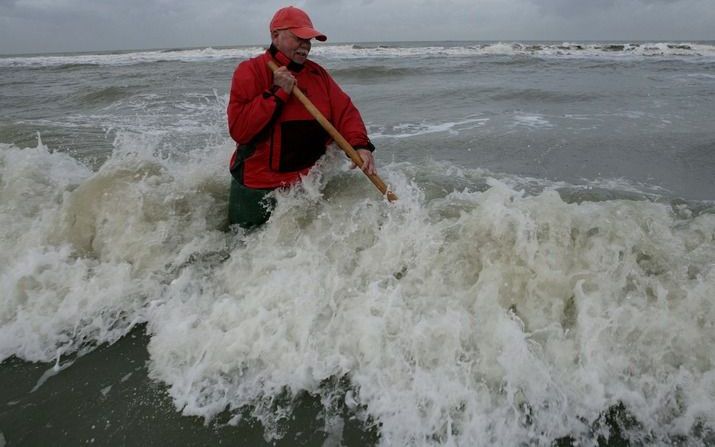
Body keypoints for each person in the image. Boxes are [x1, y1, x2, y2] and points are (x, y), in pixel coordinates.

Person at [226, 6, 378, 229]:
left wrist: (360, 145)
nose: (305, 45)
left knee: (302, 250)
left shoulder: (317, 74)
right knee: (239, 251)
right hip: (256, 187)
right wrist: (278, 92)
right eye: (299, 38)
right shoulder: (250, 71)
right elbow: (240, 130)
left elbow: (344, 112)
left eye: (309, 40)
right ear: (275, 36)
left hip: (305, 185)